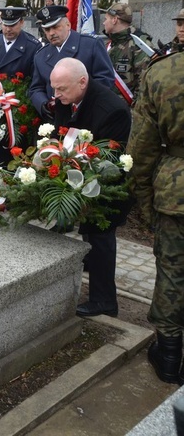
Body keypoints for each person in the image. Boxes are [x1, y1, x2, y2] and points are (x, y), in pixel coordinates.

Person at [50, 58, 131, 318]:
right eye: (54, 88)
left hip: (106, 184)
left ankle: (105, 301)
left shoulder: (112, 109)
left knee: (101, 239)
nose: (56, 94)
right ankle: (90, 269)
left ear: (82, 82)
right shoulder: (67, 97)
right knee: (90, 239)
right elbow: (62, 132)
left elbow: (108, 158)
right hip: (79, 175)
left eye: (61, 89)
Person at [126, 49, 184, 385]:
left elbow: (141, 148)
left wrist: (146, 203)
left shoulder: (163, 71)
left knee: (173, 271)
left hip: (176, 191)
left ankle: (169, 356)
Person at [0, 7, 41, 166]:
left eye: (13, 24)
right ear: (0, 22)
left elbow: (35, 82)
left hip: (17, 116)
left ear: (22, 23)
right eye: (5, 24)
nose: (8, 29)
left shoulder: (33, 47)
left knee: (13, 162)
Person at [30, 5, 115, 121]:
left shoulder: (90, 45)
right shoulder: (41, 56)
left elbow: (105, 79)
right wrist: (43, 104)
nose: (51, 33)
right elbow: (36, 88)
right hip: (54, 117)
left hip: (86, 115)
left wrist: (80, 101)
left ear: (68, 25)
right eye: (47, 29)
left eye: (55, 27)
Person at [100, 3, 152, 106]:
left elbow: (144, 83)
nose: (103, 23)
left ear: (114, 20)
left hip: (128, 111)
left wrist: (134, 112)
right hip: (108, 108)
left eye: (106, 19)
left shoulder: (139, 45)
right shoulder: (110, 45)